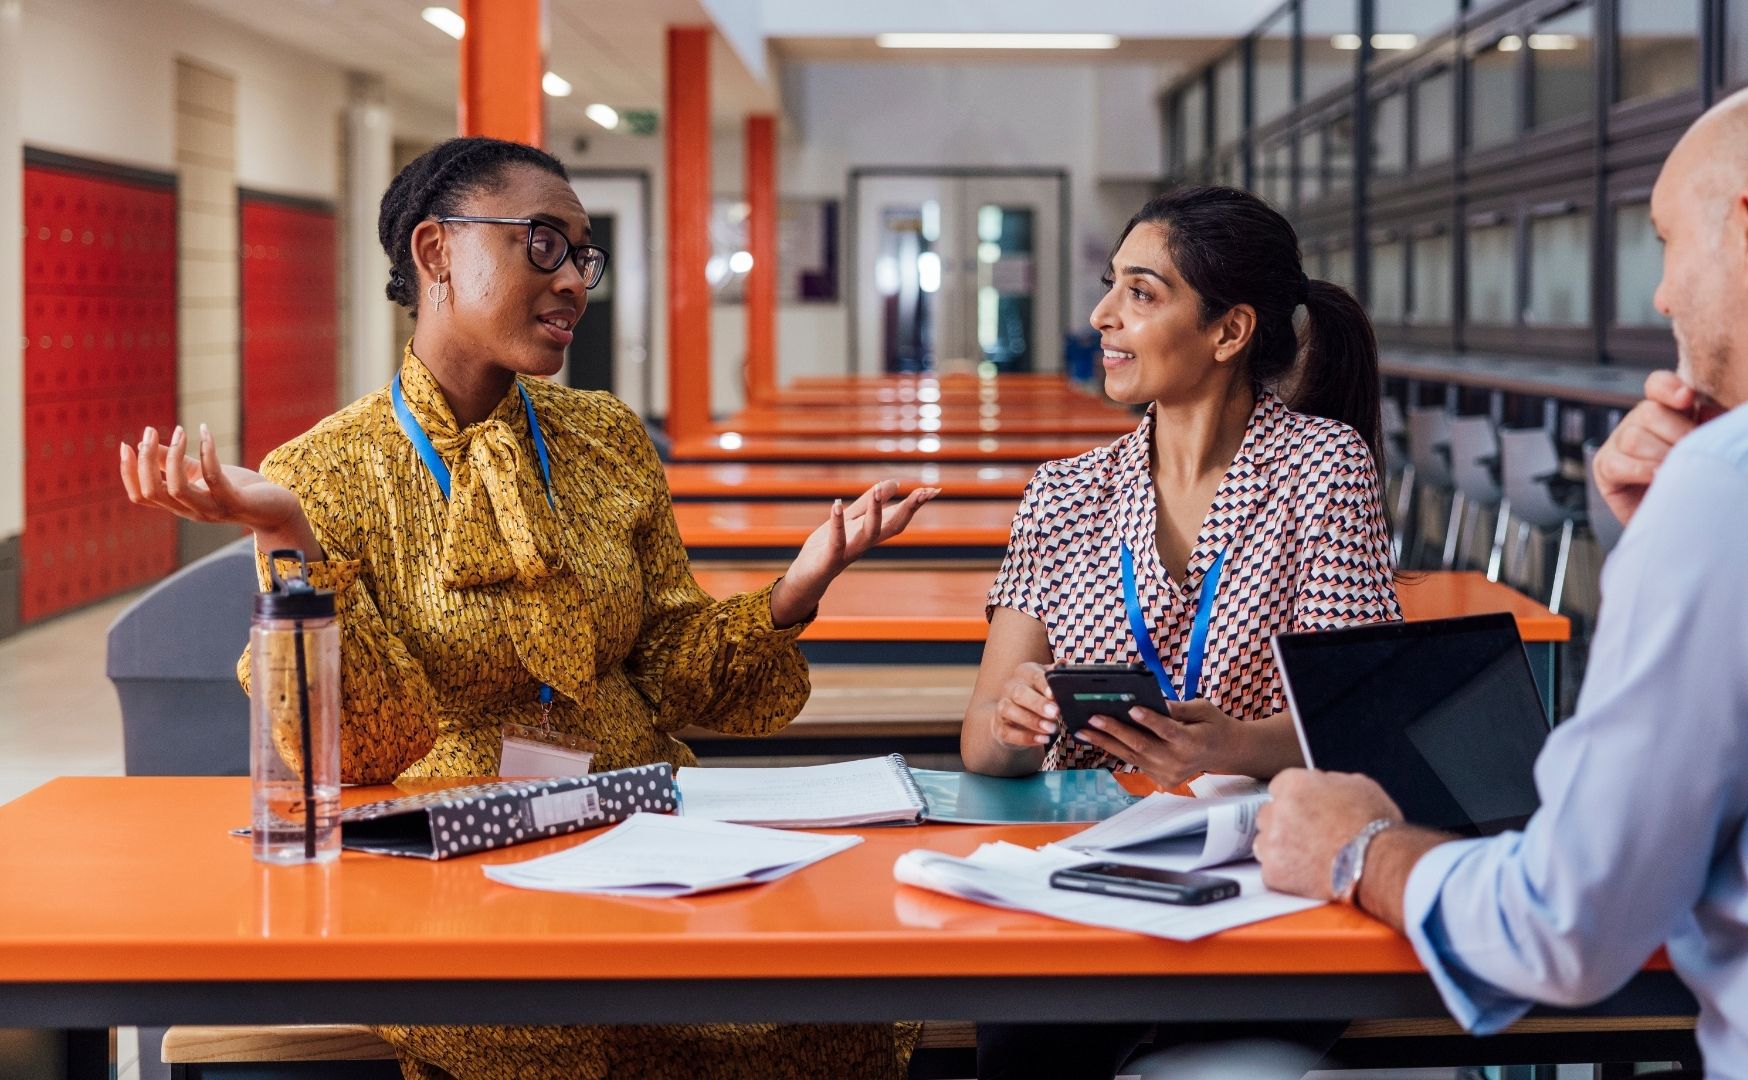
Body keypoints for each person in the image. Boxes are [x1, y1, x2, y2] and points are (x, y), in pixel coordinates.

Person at [118, 137, 932, 1080]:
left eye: (583, 254)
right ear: (436, 254)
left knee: (831, 996)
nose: (574, 281)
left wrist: (796, 589)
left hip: (644, 835)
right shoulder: (325, 473)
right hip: (453, 880)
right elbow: (361, 754)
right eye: (542, 243)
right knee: (599, 1041)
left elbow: (670, 672)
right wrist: (291, 538)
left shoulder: (606, 439)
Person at [1254, 73, 1748, 1078]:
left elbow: (1567, 924)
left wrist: (1360, 848)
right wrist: (1664, 545)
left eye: (1663, 241)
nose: (1659, 294)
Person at [962, 186, 1401, 1079]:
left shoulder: (1321, 468)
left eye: (1142, 292)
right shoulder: (1062, 494)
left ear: (1230, 332)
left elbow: (1359, 730)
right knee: (1020, 1048)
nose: (1102, 315)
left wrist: (1231, 743)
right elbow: (982, 749)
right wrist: (1016, 719)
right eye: (1110, 285)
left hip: (1259, 880)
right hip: (1084, 878)